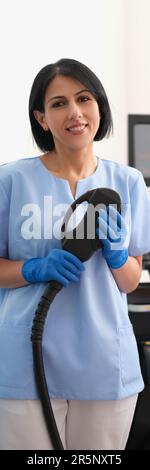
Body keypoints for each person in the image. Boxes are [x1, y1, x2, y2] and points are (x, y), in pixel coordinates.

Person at [0, 58, 150, 451]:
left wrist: (118, 257)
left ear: (99, 105)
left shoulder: (128, 182)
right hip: (24, 359)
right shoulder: (10, 180)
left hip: (103, 360)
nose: (75, 113)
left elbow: (130, 279)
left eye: (84, 99)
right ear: (42, 118)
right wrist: (33, 268)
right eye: (58, 103)